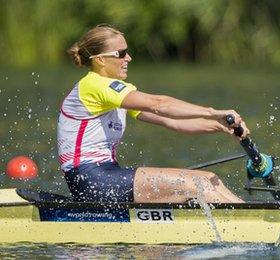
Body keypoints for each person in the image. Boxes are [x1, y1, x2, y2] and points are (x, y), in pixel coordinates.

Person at [59, 24, 247, 203]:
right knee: (198, 186)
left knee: (210, 179)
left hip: (106, 175)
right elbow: (159, 104)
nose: (129, 58)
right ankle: (249, 228)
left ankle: (254, 220)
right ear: (100, 59)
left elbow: (174, 122)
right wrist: (213, 112)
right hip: (90, 180)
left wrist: (221, 126)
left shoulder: (115, 94)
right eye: (121, 54)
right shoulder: (94, 85)